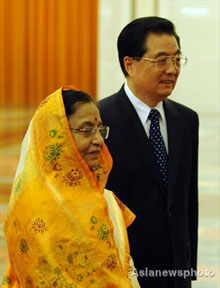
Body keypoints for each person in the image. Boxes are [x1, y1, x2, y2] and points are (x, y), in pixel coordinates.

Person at [2, 86, 140, 287]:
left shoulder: (106, 199)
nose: (99, 141)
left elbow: (125, 268)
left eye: (100, 130)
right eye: (86, 131)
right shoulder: (34, 210)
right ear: (56, 135)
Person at [99, 16, 199, 288]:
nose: (172, 69)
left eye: (177, 60)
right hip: (124, 270)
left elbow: (188, 201)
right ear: (129, 64)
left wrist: (187, 269)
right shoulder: (100, 120)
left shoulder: (186, 120)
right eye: (161, 60)